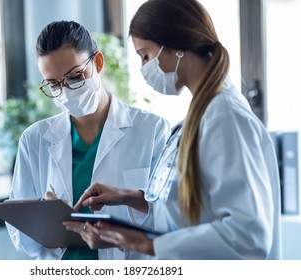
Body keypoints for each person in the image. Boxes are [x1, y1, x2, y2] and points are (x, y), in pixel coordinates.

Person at [69, 0, 281, 259]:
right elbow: (193, 210)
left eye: (145, 55)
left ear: (176, 46)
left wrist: (147, 245)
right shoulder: (199, 116)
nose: (144, 67)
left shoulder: (225, 117)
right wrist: (131, 197)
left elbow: (248, 234)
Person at [5, 20, 170, 260]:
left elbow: (172, 219)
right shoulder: (34, 140)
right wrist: (42, 216)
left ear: (98, 63)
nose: (65, 91)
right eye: (54, 84)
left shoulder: (153, 130)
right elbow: (22, 239)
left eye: (74, 77)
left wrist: (129, 211)